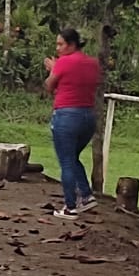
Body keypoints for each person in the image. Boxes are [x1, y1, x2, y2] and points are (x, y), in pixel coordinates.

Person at [44, 27, 101, 219]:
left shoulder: (63, 62)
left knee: (67, 162)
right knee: (72, 157)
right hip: (88, 117)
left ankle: (70, 207)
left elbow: (49, 86)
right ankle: (86, 195)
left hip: (66, 116)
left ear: (71, 45)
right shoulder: (93, 63)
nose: (58, 48)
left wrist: (53, 69)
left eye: (60, 44)